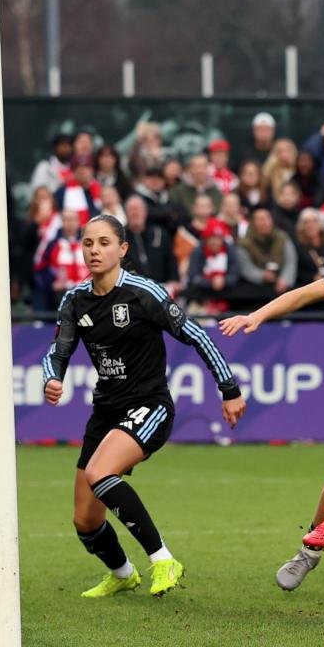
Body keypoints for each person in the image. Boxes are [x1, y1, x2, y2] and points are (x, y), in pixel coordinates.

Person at [42, 215, 246, 598]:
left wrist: (229, 388)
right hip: (105, 411)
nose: (94, 250)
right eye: (88, 243)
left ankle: (163, 559)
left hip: (149, 406)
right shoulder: (74, 300)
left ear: (122, 249)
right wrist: (52, 378)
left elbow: (197, 334)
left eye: (104, 243)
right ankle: (123, 574)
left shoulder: (142, 292)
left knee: (101, 473)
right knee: (85, 520)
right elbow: (58, 351)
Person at [34, 208, 89, 311]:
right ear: (62, 222)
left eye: (72, 219)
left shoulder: (88, 242)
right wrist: (52, 283)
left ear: (78, 221)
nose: (70, 223)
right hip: (61, 293)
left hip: (85, 291)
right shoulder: (52, 244)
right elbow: (41, 267)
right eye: (66, 219)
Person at [123, 195, 178, 286]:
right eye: (132, 209)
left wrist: (174, 280)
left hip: (161, 286)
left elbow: (171, 259)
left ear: (145, 212)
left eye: (138, 209)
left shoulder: (159, 234)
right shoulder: (120, 237)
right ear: (126, 213)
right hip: (132, 289)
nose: (135, 213)